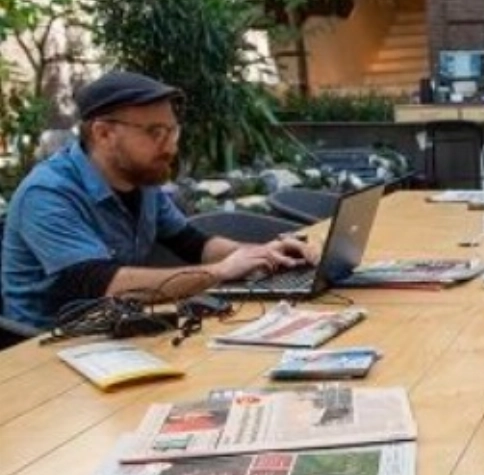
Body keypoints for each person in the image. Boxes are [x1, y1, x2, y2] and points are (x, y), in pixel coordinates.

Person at [1, 70, 318, 329]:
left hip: (119, 329)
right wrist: (220, 272)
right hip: (47, 349)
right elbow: (103, 285)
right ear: (103, 133)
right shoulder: (48, 193)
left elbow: (191, 242)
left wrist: (260, 254)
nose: (170, 146)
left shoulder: (140, 178)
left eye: (172, 131)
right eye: (155, 132)